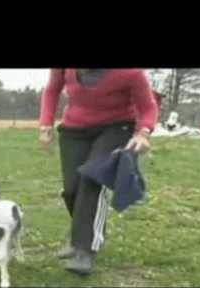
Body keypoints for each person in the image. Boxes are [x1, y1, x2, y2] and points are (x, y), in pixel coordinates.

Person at [38, 69, 158, 275]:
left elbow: (148, 106)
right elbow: (51, 90)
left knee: (92, 178)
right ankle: (80, 237)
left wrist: (144, 132)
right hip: (75, 129)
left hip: (116, 127)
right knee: (72, 189)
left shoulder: (130, 72)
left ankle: (86, 248)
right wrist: (45, 123)